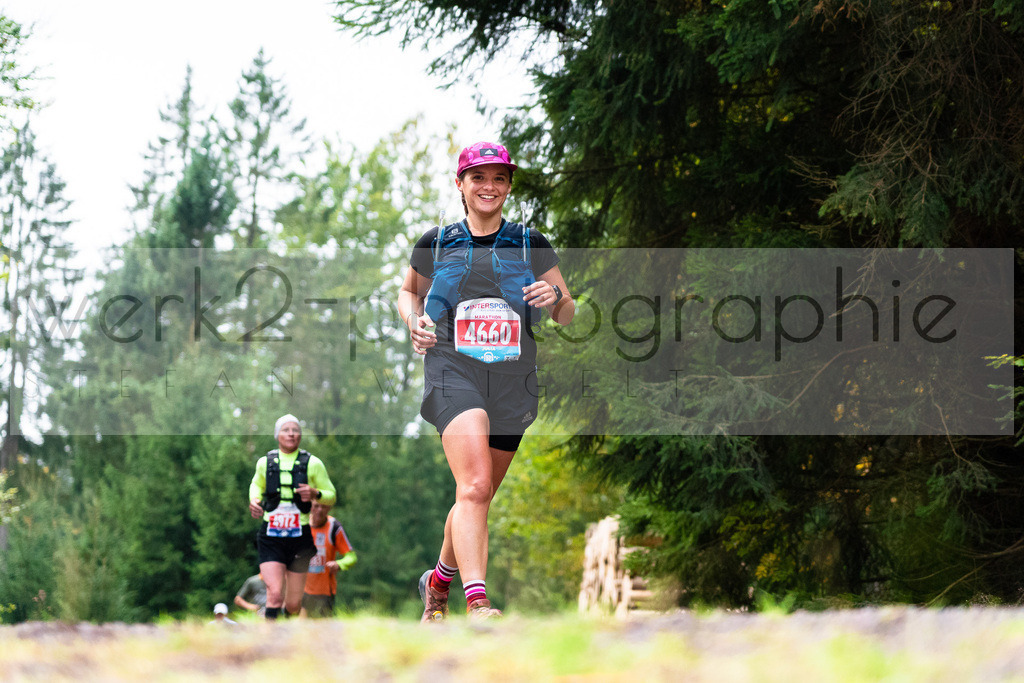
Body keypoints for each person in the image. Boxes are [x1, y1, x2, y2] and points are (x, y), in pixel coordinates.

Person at [398, 141, 575, 622]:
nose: (489, 187)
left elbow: (569, 313)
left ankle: (437, 582)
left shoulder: (529, 242)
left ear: (509, 186)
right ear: (461, 184)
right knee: (473, 486)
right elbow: (408, 292)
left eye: (498, 178)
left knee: (477, 494)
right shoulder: (435, 241)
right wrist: (414, 321)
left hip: (514, 378)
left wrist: (553, 295)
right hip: (453, 366)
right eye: (478, 177)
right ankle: (477, 603)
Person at [248, 414, 338, 620]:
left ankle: (287, 628)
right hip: (270, 535)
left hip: (300, 539)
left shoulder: (313, 463)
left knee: (293, 603)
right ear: (277, 435)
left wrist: (316, 493)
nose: (291, 433)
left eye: (295, 430)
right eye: (286, 430)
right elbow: (256, 484)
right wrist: (254, 500)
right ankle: (271, 639)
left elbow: (331, 495)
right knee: (275, 593)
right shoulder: (265, 462)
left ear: (300, 435)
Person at [301, 501, 357, 618]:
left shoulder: (333, 527)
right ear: (310, 506)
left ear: (329, 508)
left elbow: (351, 557)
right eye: (316, 506)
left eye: (324, 507)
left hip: (324, 593)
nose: (320, 510)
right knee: (301, 630)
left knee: (322, 632)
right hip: (300, 590)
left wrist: (339, 564)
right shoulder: (300, 524)